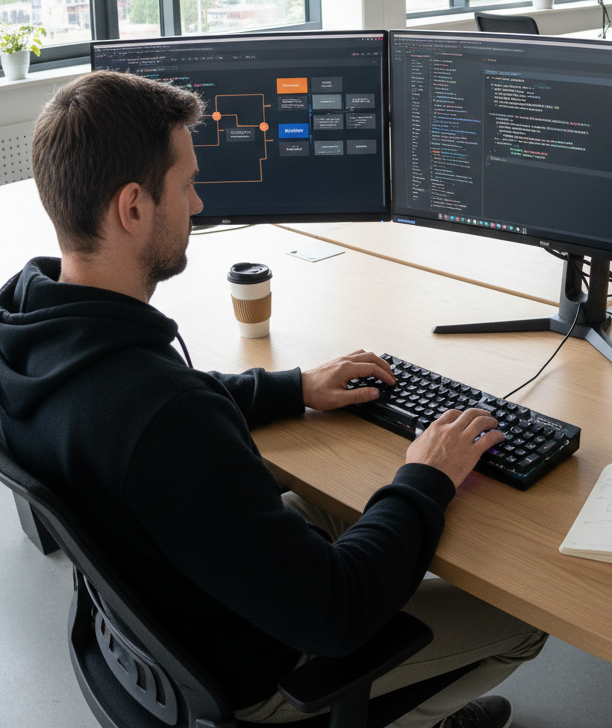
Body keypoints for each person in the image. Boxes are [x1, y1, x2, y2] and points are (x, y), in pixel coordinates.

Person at [0, 70, 545, 728]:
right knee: (521, 620)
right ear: (134, 208)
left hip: (156, 621)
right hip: (257, 670)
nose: (198, 205)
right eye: (187, 186)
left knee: (338, 498)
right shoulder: (162, 415)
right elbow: (334, 615)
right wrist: (426, 479)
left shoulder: (30, 328)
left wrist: (296, 388)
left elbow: (157, 404)